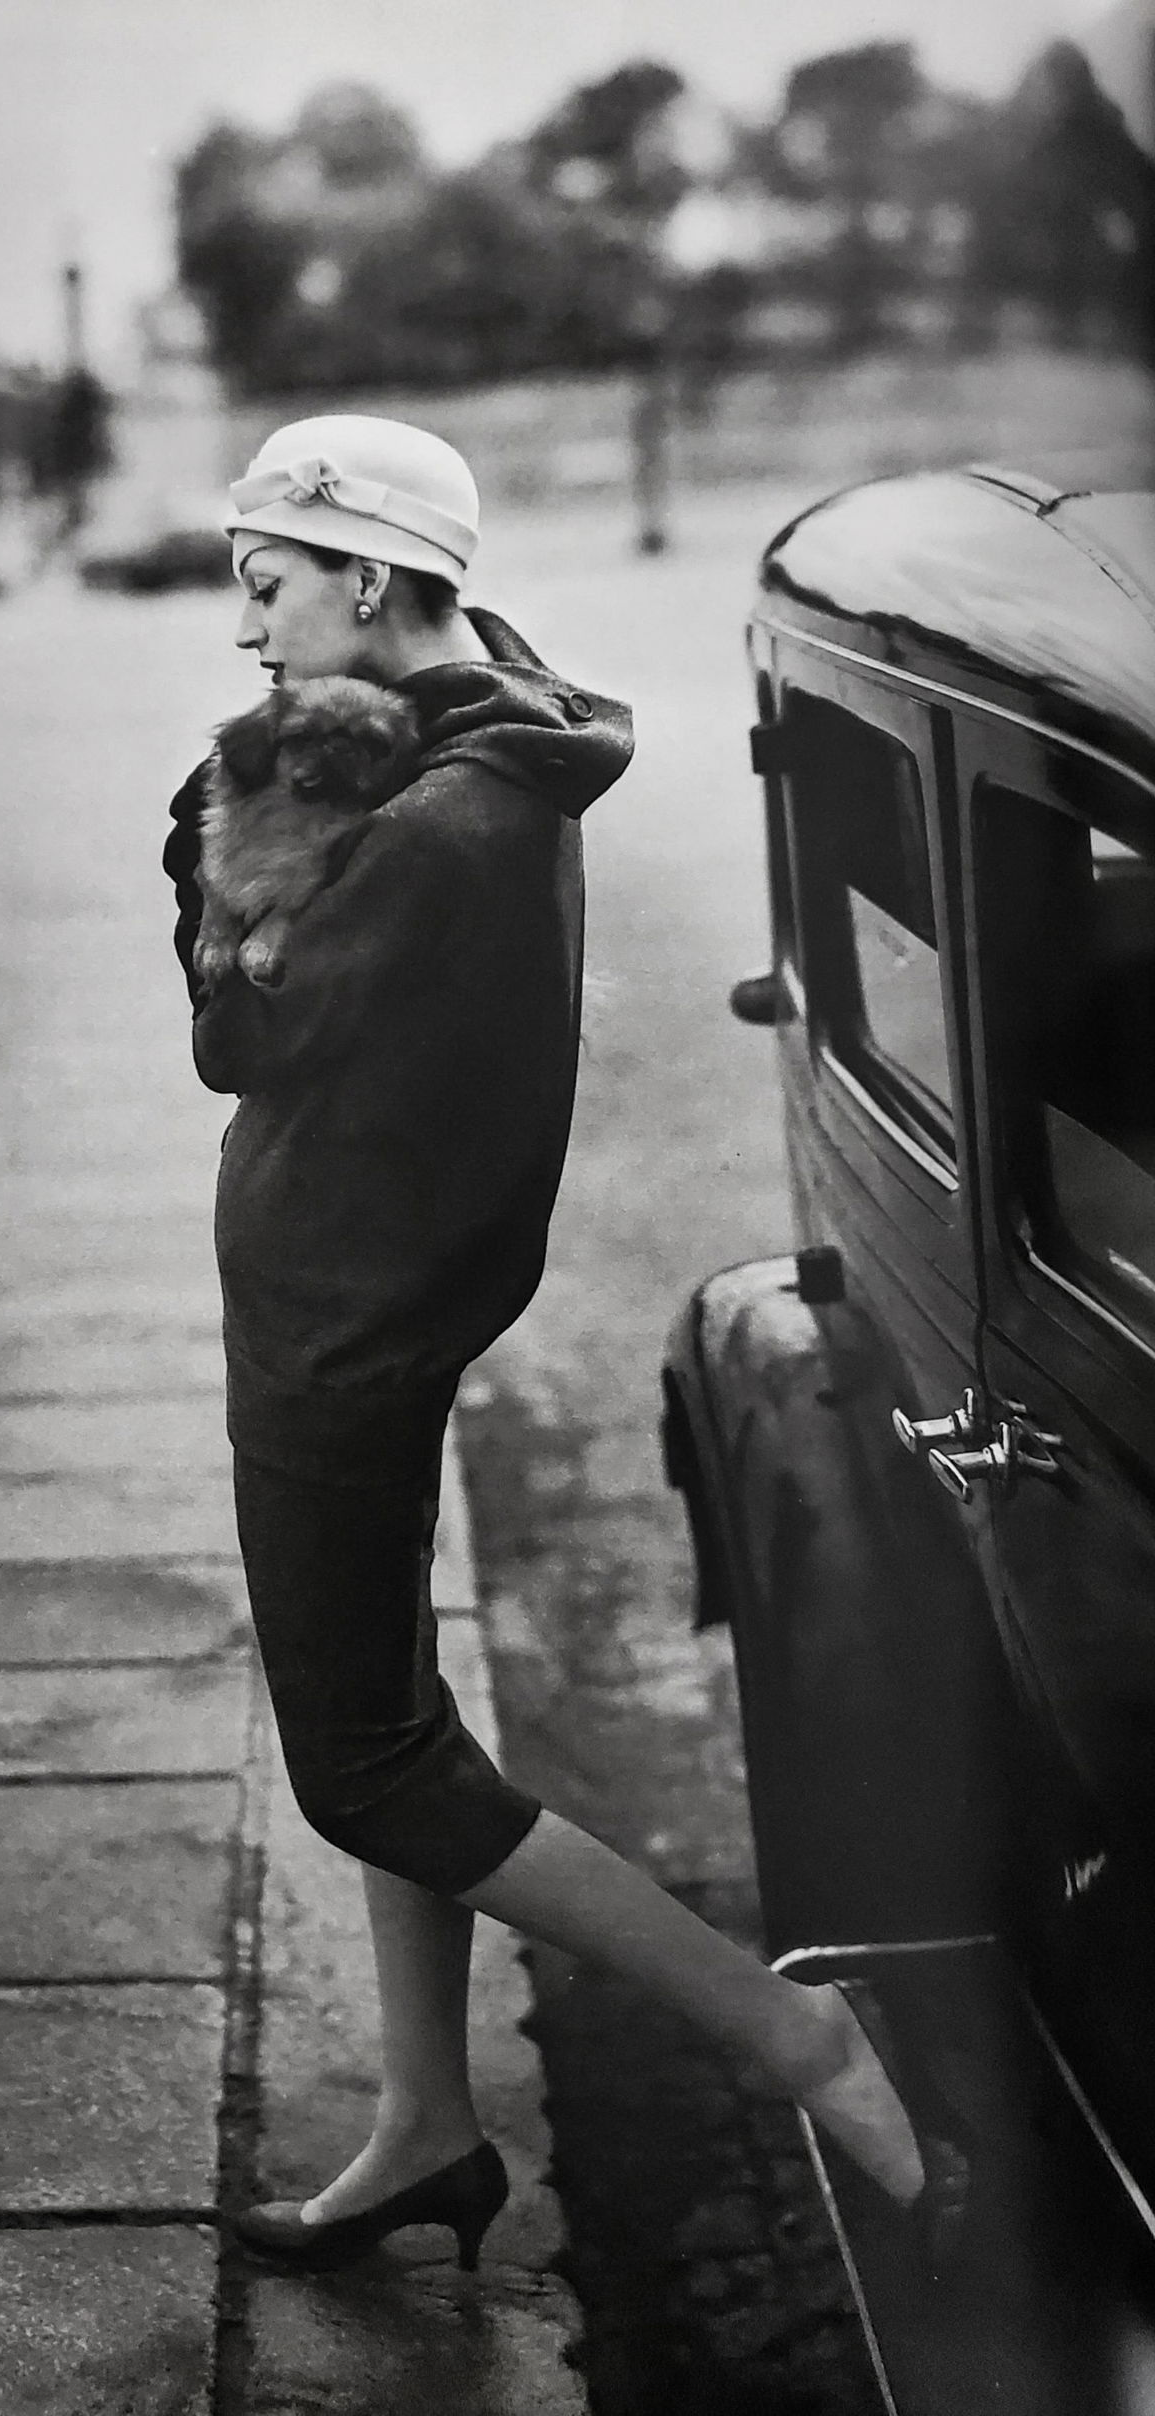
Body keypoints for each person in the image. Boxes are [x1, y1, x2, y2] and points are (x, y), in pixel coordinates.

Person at [162, 413, 961, 2276]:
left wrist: (226, 837)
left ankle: (794, 2033)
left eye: (266, 582)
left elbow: (232, 1037)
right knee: (394, 1702)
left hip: (334, 1327)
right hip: (400, 1291)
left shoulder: (427, 825)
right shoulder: (498, 729)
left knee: (362, 1764)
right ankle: (433, 2125)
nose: (247, 628)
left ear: (367, 574)